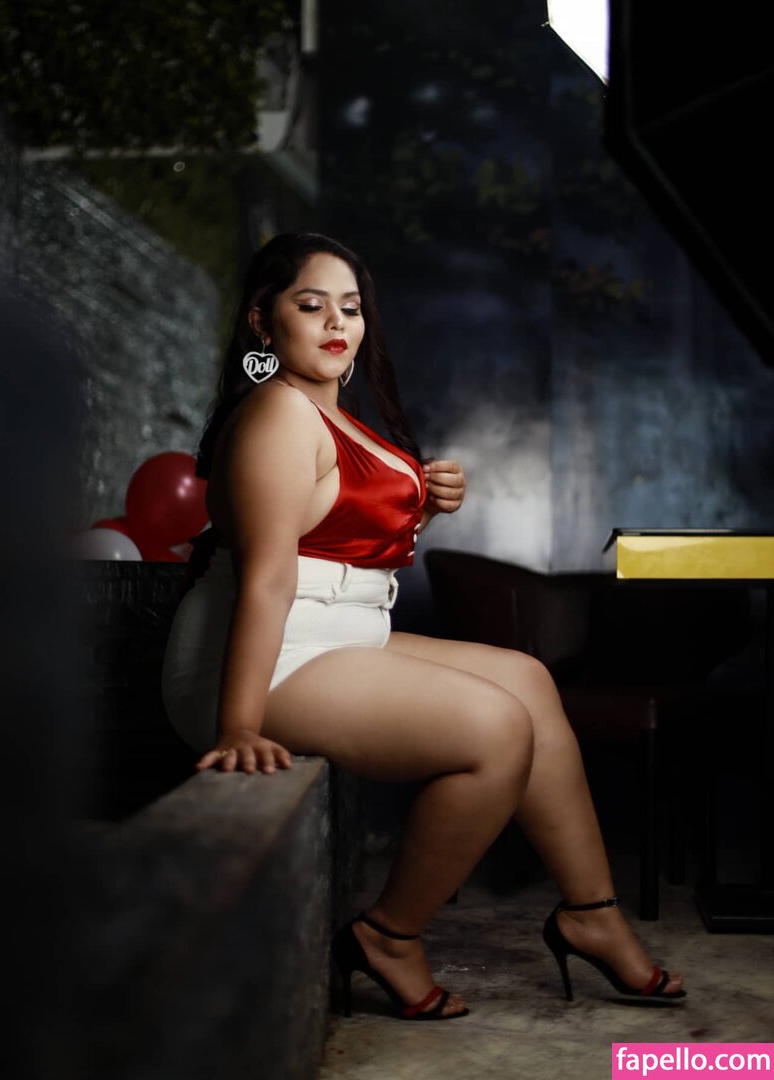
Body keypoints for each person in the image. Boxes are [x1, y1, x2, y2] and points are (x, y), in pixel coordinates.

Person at [161, 232, 685, 1021]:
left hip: (335, 635)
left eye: (351, 308)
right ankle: (389, 936)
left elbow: (341, 546)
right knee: (496, 728)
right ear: (263, 322)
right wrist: (238, 723)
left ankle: (592, 913)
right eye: (312, 305)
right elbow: (270, 577)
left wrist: (426, 507)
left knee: (527, 680)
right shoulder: (277, 414)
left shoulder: (332, 417)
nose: (337, 323)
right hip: (262, 656)